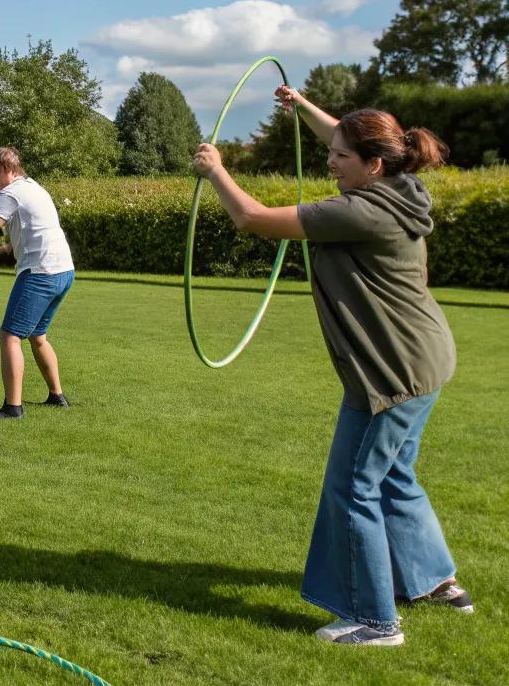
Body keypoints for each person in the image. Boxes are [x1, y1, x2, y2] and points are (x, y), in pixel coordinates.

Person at [192, 90, 470, 648]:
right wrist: (304, 106)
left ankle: (375, 621)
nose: (330, 160)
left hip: (388, 372)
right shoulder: (401, 190)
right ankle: (436, 581)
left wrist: (216, 170)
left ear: (373, 164)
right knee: (394, 475)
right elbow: (344, 134)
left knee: (353, 487)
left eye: (341, 156)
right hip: (425, 358)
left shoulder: (359, 211)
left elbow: (253, 219)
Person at [0, 146, 74, 420]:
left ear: (3, 168)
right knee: (37, 335)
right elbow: (7, 247)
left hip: (40, 273)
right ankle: (57, 396)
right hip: (64, 271)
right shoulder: (34, 188)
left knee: (9, 337)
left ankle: (12, 408)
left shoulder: (8, 194)